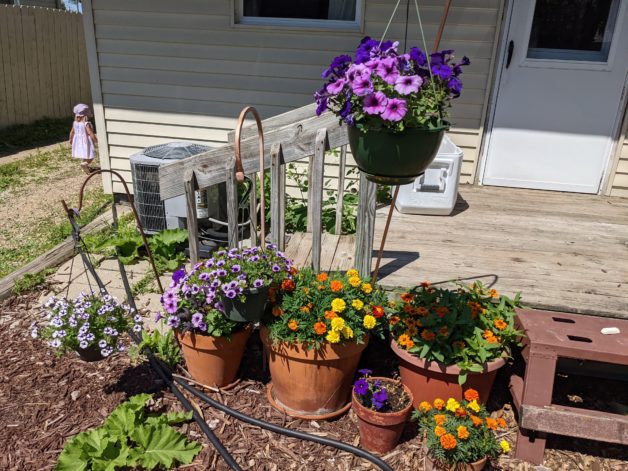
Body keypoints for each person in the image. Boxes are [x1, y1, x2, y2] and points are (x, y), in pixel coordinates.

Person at [69, 103, 98, 174]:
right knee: (91, 155)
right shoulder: (86, 123)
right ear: (85, 115)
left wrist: (71, 139)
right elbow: (90, 133)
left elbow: (72, 132)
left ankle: (86, 167)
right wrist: (95, 140)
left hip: (78, 142)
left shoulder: (74, 123)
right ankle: (85, 164)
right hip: (86, 142)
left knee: (85, 154)